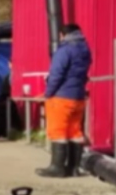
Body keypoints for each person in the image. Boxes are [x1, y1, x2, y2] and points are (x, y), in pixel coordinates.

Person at [37, 23, 93, 178]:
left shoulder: (64, 50)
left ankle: (57, 168)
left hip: (61, 97)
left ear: (62, 35)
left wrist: (48, 93)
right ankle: (74, 168)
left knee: (58, 131)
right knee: (75, 132)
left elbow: (56, 74)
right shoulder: (85, 49)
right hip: (78, 97)